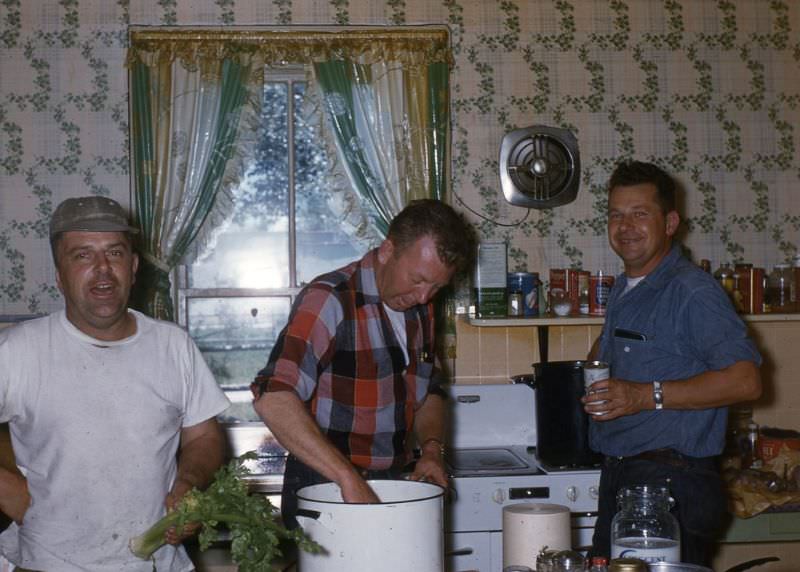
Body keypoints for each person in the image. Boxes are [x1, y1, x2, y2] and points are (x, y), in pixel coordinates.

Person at [0, 196, 230, 571]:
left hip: (157, 563)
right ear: (59, 275)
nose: (103, 269)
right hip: (52, 563)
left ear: (134, 266)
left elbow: (203, 436)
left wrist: (188, 484)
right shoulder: (17, 350)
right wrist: (7, 490)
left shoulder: (173, 345)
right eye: (82, 256)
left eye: (115, 253)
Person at [251, 199, 475, 527]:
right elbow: (272, 397)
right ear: (387, 250)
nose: (425, 296)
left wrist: (431, 450)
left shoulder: (419, 307)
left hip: (393, 480)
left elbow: (429, 391)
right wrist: (348, 478)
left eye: (437, 287)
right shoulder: (330, 299)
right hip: (324, 484)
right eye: (418, 279)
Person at [583, 161, 762, 566]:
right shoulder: (628, 289)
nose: (625, 226)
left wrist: (644, 395)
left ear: (670, 222)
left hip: (669, 485)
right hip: (626, 475)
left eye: (640, 214)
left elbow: (746, 380)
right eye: (616, 214)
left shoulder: (691, 291)